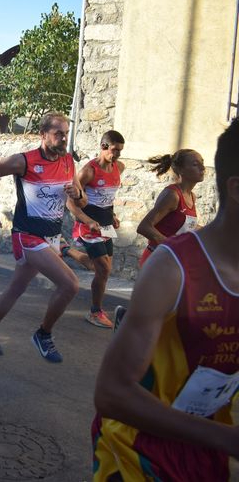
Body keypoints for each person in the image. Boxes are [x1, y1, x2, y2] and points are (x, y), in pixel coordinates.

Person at [92, 118, 239, 482]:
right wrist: (171, 251)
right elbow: (111, 394)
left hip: (206, 452)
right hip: (139, 455)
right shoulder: (173, 215)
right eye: (195, 163)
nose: (200, 168)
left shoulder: (190, 199)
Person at [0, 112, 87, 363]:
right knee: (70, 284)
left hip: (50, 235)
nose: (63, 138)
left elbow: (81, 200)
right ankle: (44, 334)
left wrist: (76, 193)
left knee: (17, 288)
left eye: (65, 134)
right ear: (43, 135)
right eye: (58, 133)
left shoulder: (68, 162)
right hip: (27, 234)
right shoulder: (24, 161)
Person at [67, 130, 125, 328]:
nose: (117, 155)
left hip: (106, 224)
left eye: (120, 151)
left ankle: (66, 250)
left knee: (103, 270)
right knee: (103, 269)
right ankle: (95, 312)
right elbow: (70, 202)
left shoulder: (119, 167)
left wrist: (114, 215)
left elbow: (108, 198)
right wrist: (87, 220)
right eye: (114, 150)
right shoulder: (88, 171)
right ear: (103, 147)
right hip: (88, 225)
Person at [136, 148, 205, 267]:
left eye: (202, 163)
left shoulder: (191, 196)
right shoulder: (172, 195)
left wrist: (210, 231)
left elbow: (183, 225)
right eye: (195, 164)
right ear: (181, 170)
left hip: (173, 261)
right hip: (157, 260)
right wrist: (171, 246)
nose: (203, 168)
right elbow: (144, 227)